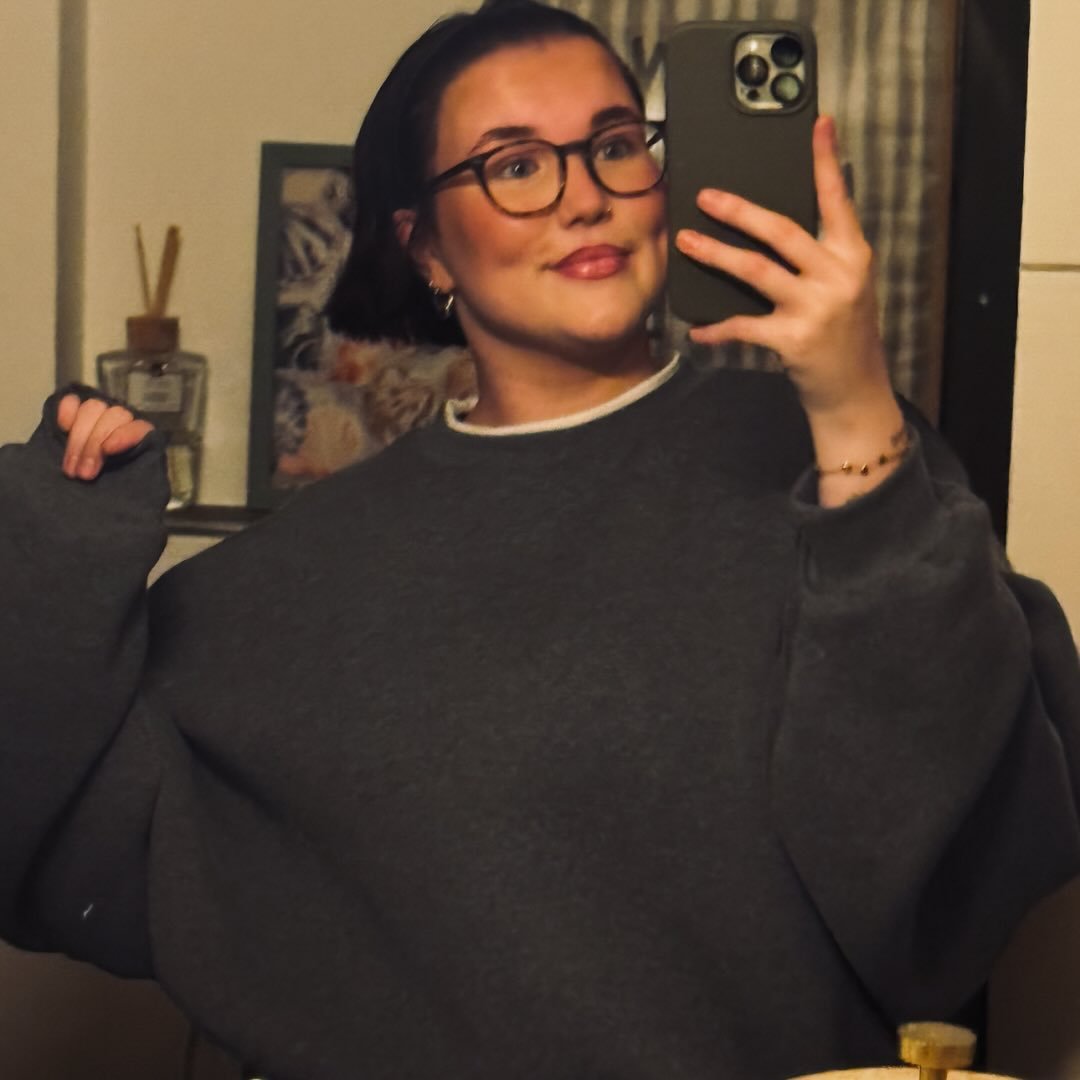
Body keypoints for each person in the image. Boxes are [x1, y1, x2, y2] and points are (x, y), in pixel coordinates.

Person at [2, 2, 1078, 1077]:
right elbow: (51, 830)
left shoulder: (855, 455)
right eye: (514, 165)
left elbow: (968, 859)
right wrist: (58, 537)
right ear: (425, 247)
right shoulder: (294, 580)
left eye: (615, 145)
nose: (584, 196)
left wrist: (850, 401)